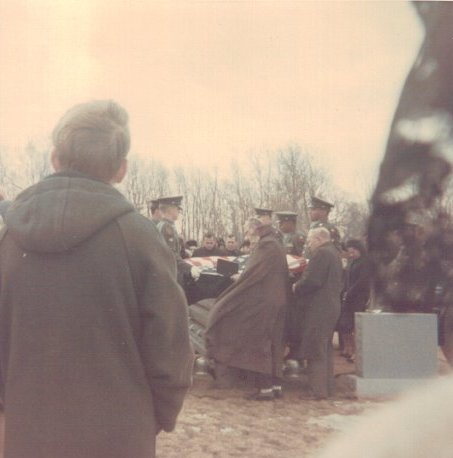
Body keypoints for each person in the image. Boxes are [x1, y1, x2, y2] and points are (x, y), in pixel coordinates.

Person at [0, 100, 194, 458]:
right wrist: (154, 418)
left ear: (55, 158)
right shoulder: (141, 237)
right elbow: (170, 347)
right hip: (117, 435)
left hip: (29, 435)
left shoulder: (8, 240)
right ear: (121, 170)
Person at [205, 217, 289, 400]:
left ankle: (265, 388)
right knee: (273, 342)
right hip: (275, 300)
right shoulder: (275, 245)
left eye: (247, 231)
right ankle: (275, 386)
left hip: (263, 302)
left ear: (255, 230)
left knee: (259, 343)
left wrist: (237, 280)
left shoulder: (265, 246)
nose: (246, 235)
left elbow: (252, 272)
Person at [293, 227, 343, 399]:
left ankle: (317, 391)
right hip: (331, 306)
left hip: (319, 308)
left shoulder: (321, 254)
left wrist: (296, 286)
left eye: (310, 240)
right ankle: (327, 388)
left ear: (320, 239)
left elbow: (312, 280)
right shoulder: (334, 253)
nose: (308, 243)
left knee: (316, 348)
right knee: (325, 347)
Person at [337, 239, 371, 362]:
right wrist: (344, 291)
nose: (351, 255)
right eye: (349, 253)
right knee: (345, 324)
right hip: (348, 297)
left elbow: (362, 281)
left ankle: (357, 352)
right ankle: (348, 348)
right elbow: (347, 279)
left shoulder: (365, 263)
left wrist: (350, 291)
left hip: (359, 297)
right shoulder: (352, 263)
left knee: (356, 326)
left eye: (353, 252)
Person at [157, 195, 200, 285]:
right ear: (170, 209)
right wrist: (189, 268)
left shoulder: (164, 225)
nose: (179, 211)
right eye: (177, 208)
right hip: (170, 274)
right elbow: (171, 254)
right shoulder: (167, 227)